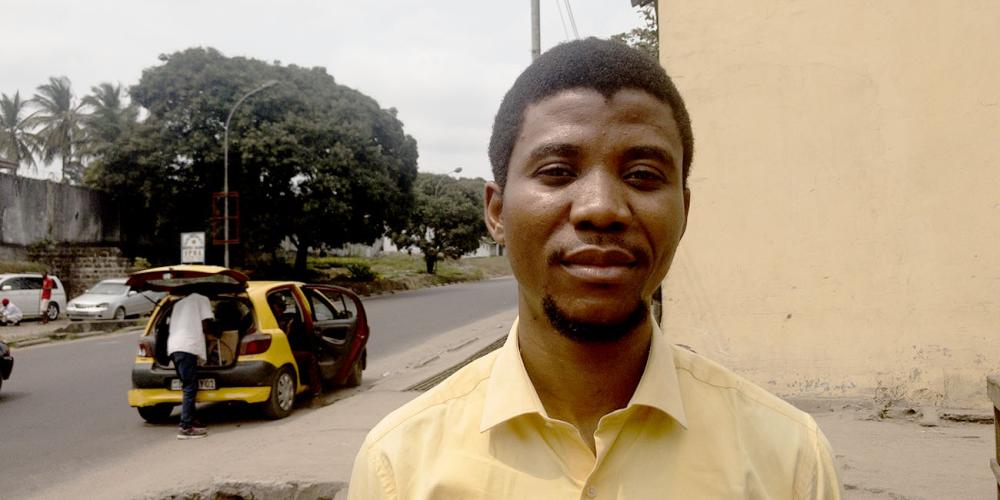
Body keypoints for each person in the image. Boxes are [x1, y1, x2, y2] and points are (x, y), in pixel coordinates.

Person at [349, 38, 842, 499]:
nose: (601, 208)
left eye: (643, 175)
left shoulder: (789, 459)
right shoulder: (399, 467)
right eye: (558, 172)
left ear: (684, 212)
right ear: (497, 212)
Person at [167, 288, 214, 439]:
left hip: (174, 347)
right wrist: (216, 332)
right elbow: (206, 324)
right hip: (187, 346)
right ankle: (185, 427)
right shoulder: (202, 298)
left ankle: (191, 419)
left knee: (187, 386)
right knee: (189, 387)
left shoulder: (179, 303)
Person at [268, 293, 322, 397]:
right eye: (278, 306)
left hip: (274, 354)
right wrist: (287, 330)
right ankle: (316, 392)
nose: (281, 309)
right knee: (310, 357)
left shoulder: (266, 317)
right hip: (279, 354)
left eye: (282, 306)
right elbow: (282, 342)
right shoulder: (274, 321)